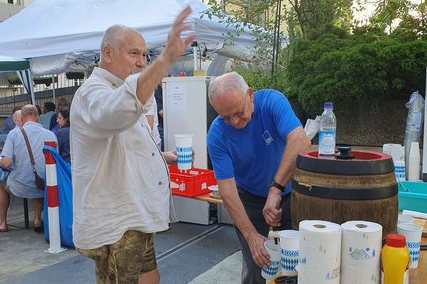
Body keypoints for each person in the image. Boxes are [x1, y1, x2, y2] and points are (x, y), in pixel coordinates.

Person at [70, 6, 194, 283]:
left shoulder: (117, 88)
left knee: (150, 276)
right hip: (118, 222)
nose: (141, 61)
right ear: (108, 53)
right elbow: (114, 113)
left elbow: (124, 145)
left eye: (145, 54)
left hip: (135, 214)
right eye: (134, 53)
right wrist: (165, 60)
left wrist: (162, 157)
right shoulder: (91, 92)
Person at [206, 72, 311, 283]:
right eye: (226, 117)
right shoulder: (217, 135)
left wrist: (275, 189)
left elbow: (300, 141)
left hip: (291, 196)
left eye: (238, 112)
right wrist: (250, 235)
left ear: (250, 95)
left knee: (296, 264)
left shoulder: (272, 101)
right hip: (249, 200)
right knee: (258, 264)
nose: (235, 122)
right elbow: (227, 190)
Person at [0, 104, 57, 233]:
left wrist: (0, 162)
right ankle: (38, 219)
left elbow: (6, 163)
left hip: (22, 186)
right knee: (38, 176)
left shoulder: (14, 134)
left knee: (1, 185)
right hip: (44, 185)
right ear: (37, 117)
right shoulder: (50, 134)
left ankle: (2, 223)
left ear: (21, 118)